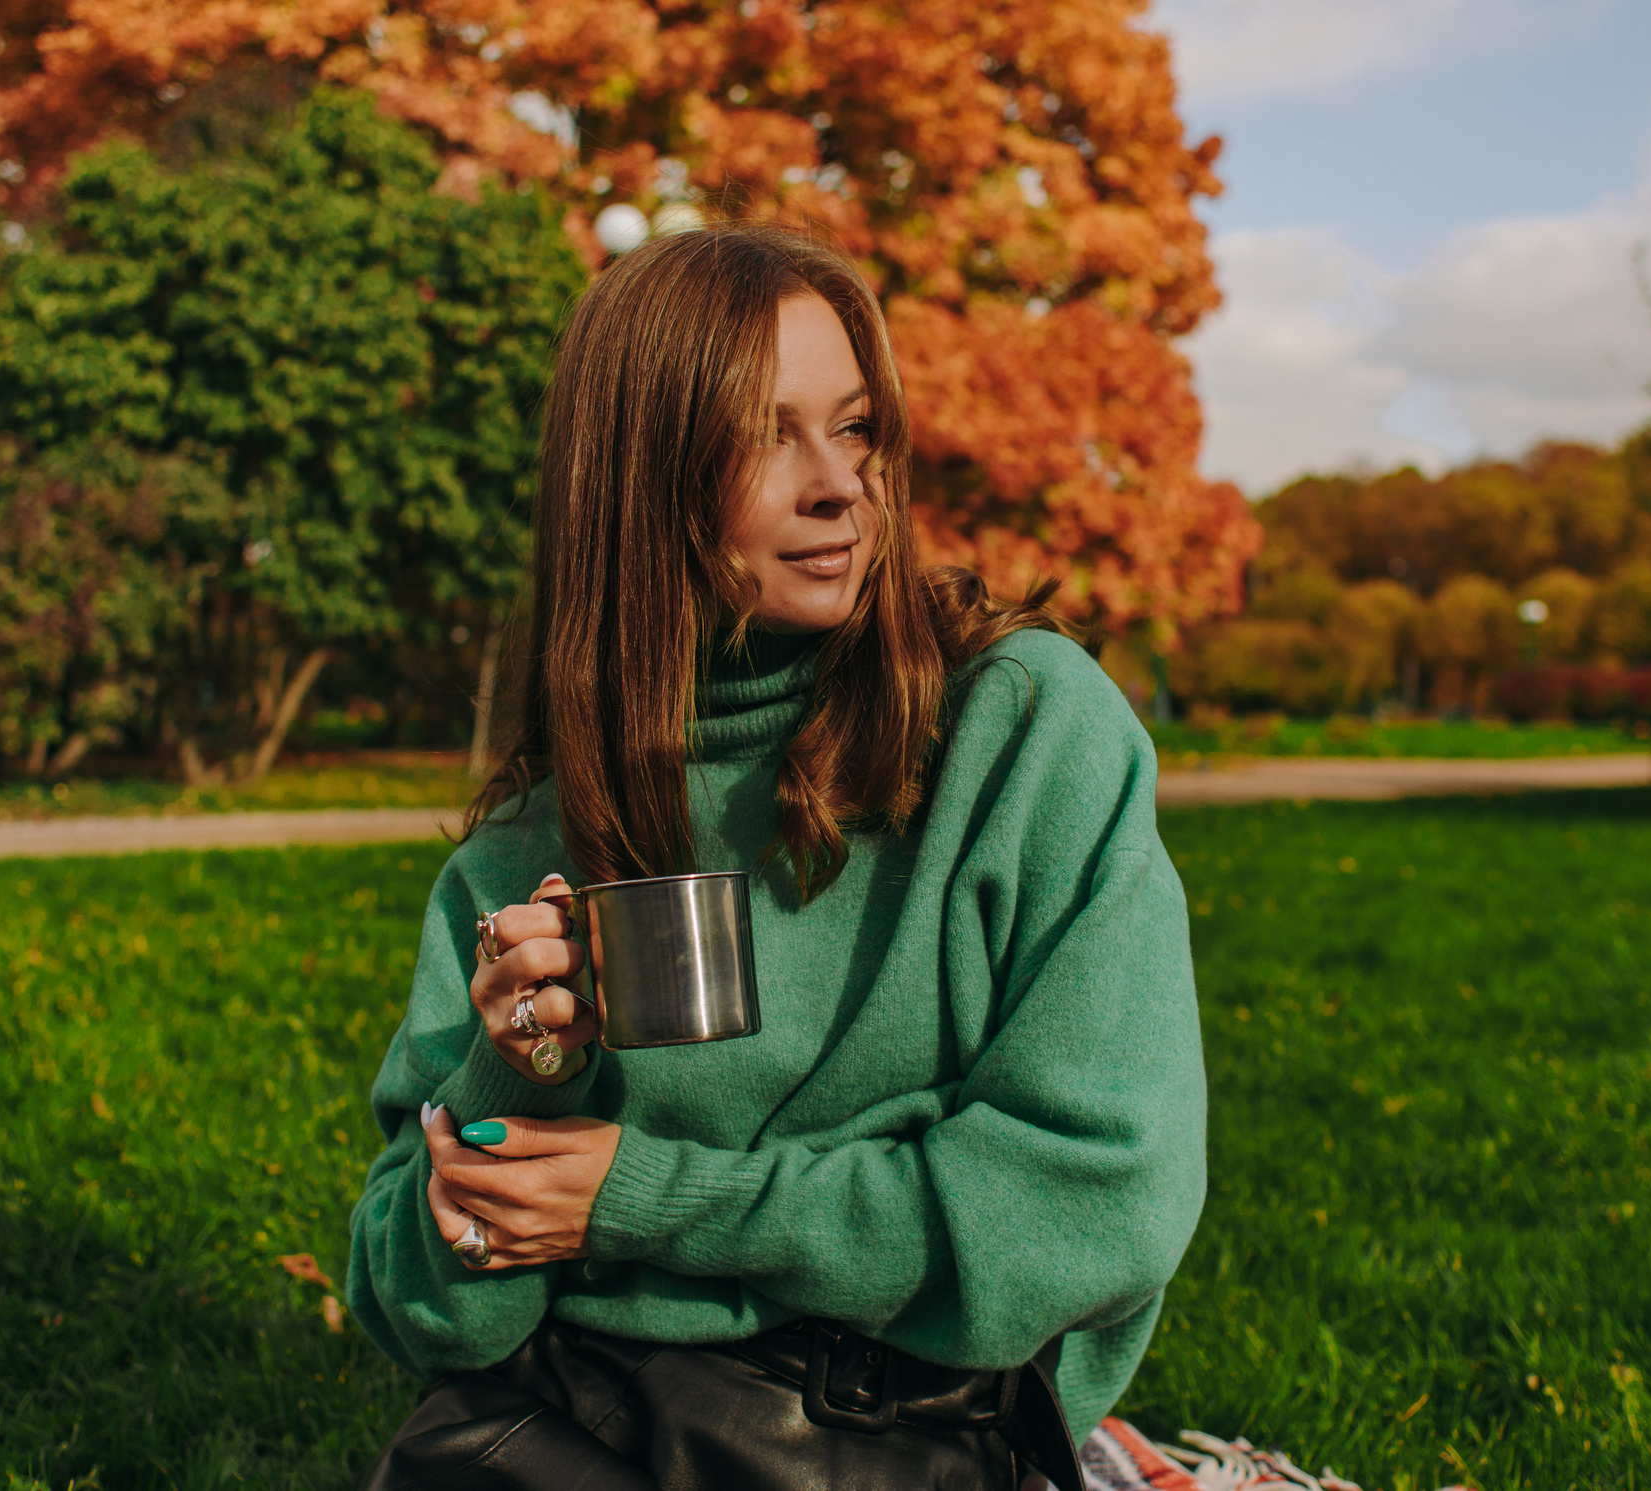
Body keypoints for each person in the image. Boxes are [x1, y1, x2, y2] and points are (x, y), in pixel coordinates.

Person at [346, 222, 1206, 1491]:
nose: (839, 485)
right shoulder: (532, 844)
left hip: (891, 1430)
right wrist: (515, 1066)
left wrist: (644, 1200)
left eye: (854, 427)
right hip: (560, 1426)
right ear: (642, 481)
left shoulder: (1019, 731)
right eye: (767, 434)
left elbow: (1094, 1207)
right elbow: (426, 1315)